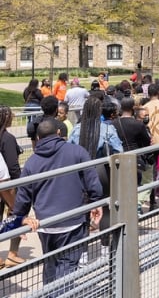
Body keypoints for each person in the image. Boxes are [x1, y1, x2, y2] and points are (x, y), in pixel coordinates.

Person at [13, 118, 103, 287]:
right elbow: (93, 184)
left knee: (50, 264)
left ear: (38, 138)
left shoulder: (32, 162)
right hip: (73, 221)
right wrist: (96, 202)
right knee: (67, 267)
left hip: (45, 224)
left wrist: (20, 217)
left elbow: (22, 195)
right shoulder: (78, 152)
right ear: (59, 133)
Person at [68, 97, 123, 260]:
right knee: (105, 210)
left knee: (83, 213)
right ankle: (105, 249)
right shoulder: (107, 129)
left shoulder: (77, 129)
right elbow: (119, 149)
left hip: (80, 174)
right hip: (101, 173)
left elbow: (69, 148)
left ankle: (83, 253)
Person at [0, 106, 25, 267]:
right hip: (8, 186)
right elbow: (13, 166)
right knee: (18, 214)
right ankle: (12, 253)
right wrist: (18, 186)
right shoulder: (7, 138)